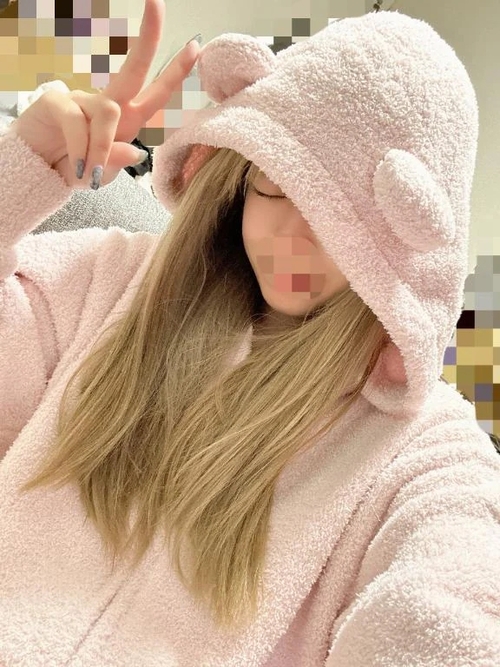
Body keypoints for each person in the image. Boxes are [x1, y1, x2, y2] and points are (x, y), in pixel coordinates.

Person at [1, 0, 499, 664]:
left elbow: (443, 608)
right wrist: (16, 177)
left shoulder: (420, 449)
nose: (294, 237)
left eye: (343, 220)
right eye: (278, 184)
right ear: (239, 177)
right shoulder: (110, 280)